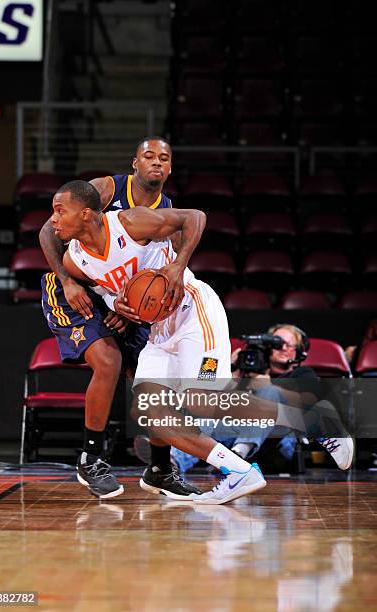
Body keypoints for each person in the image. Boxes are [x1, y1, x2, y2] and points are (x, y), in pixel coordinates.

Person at [55, 179, 268, 505]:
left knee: (202, 406)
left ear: (86, 214)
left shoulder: (129, 222)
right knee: (151, 414)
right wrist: (117, 305)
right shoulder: (74, 260)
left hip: (193, 314)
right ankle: (240, 471)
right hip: (158, 332)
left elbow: (195, 216)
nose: (53, 219)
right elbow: (107, 291)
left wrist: (177, 265)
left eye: (59, 211)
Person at [39, 137, 189, 498]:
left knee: (150, 378)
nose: (156, 162)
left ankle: (160, 468)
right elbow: (49, 230)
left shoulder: (164, 210)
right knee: (108, 361)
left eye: (164, 158)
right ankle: (90, 458)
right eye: (148, 156)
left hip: (121, 299)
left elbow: (151, 273)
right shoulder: (107, 189)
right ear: (134, 162)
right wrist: (65, 279)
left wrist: (135, 311)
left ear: (169, 168)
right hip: (77, 288)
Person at [230, 324, 354, 471]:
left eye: (289, 345)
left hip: (278, 443)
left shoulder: (302, 374)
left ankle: (239, 452)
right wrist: (232, 372)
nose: (283, 348)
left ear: (299, 351)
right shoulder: (245, 372)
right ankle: (214, 458)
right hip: (234, 434)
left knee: (269, 393)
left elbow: (310, 401)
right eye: (277, 344)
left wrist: (268, 387)